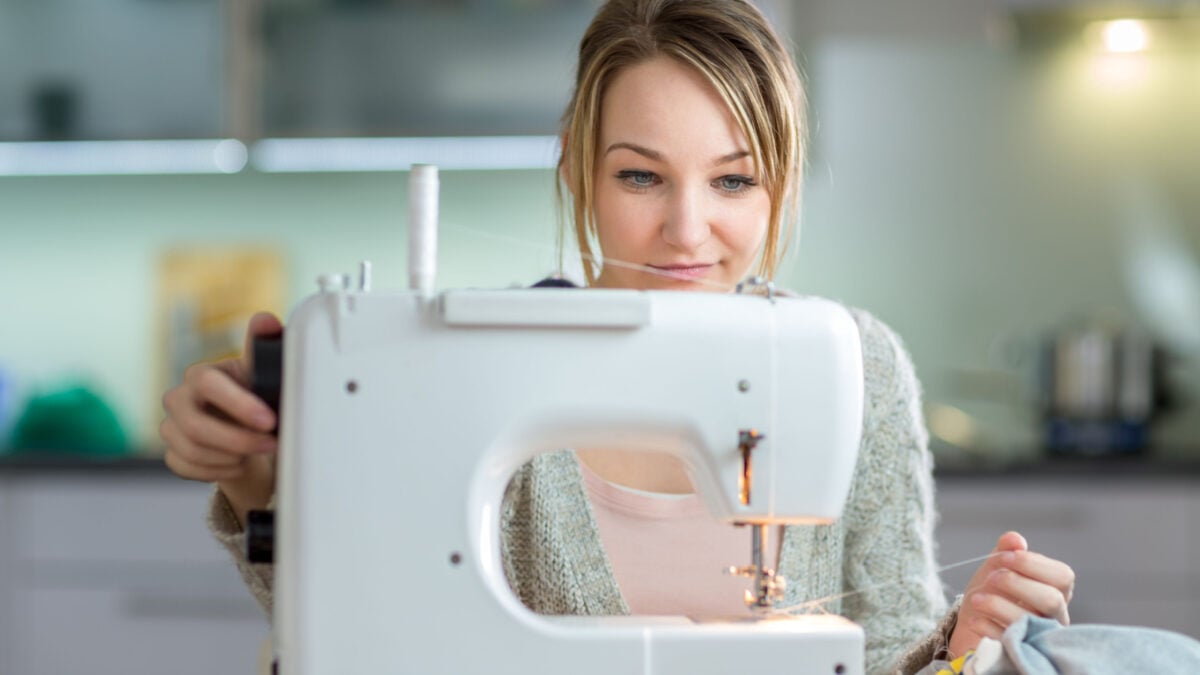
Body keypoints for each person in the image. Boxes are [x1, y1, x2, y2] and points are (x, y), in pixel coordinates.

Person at [159, 1, 1075, 673]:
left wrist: (963, 647)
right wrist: (252, 471)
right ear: (579, 168)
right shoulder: (456, 368)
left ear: (781, 184)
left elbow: (882, 658)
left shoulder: (855, 364)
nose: (686, 230)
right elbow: (354, 636)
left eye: (732, 182)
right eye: (642, 177)